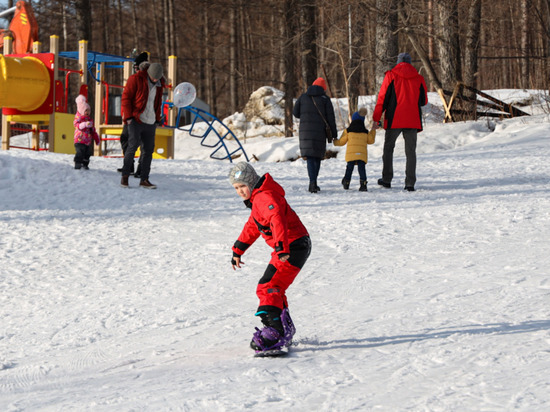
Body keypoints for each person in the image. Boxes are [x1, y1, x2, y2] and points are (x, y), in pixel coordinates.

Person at [229, 162, 311, 353]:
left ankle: (275, 332)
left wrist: (282, 248)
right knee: (274, 286)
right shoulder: (258, 198)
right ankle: (283, 328)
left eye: (242, 186)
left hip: (292, 246)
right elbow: (253, 226)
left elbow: (277, 219)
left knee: (268, 286)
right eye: (236, 188)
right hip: (290, 246)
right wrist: (238, 249)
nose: (240, 191)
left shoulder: (265, 197)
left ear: (251, 182)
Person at [373, 52, 428, 192]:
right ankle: (410, 183)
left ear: (397, 62)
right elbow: (424, 101)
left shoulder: (391, 75)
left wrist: (376, 118)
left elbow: (382, 99)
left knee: (388, 149)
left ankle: (387, 179)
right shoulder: (419, 78)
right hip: (412, 119)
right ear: (410, 63)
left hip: (394, 119)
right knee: (411, 152)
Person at [120, 62, 165, 189]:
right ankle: (125, 177)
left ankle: (144, 179)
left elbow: (157, 102)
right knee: (132, 147)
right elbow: (126, 98)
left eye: (158, 78)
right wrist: (128, 117)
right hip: (135, 119)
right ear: (148, 73)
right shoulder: (135, 79)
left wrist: (157, 119)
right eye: (153, 77)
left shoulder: (159, 84)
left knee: (148, 151)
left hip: (150, 121)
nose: (155, 80)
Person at [293, 77, 337, 193]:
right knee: (317, 157)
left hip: (305, 132)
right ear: (324, 88)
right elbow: (331, 118)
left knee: (311, 158)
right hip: (320, 132)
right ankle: (314, 182)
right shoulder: (325, 99)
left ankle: (312, 182)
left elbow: (295, 113)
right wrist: (334, 134)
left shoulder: (303, 97)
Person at [117, 51, 149, 177]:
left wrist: (129, 116)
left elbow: (129, 98)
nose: (135, 70)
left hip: (137, 117)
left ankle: (137, 168)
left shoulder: (139, 79)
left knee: (138, 143)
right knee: (129, 140)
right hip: (134, 116)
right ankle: (131, 166)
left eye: (136, 67)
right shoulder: (142, 79)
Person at [333, 107, 378, 191]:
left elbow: (341, 142)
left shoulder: (348, 131)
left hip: (351, 155)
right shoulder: (365, 132)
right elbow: (371, 141)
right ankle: (363, 184)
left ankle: (346, 182)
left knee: (349, 168)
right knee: (362, 169)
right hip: (361, 155)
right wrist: (373, 130)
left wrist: (335, 141)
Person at [73, 94, 99, 170]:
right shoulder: (79, 118)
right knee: (80, 152)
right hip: (79, 139)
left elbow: (93, 131)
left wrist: (97, 139)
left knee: (87, 153)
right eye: (86, 110)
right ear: (81, 111)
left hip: (87, 141)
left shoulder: (90, 120)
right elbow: (76, 125)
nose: (87, 112)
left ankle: (85, 164)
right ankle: (78, 163)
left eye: (89, 110)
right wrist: (84, 124)